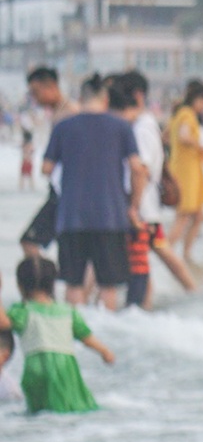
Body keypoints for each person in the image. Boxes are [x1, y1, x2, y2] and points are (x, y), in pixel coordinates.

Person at [42, 80, 144, 310]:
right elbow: (137, 168)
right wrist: (133, 204)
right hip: (110, 216)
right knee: (108, 284)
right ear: (105, 99)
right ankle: (107, 333)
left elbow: (46, 168)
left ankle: (75, 334)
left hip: (70, 217)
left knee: (73, 283)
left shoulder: (63, 127)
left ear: (81, 97)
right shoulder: (121, 127)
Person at [114, 73, 194, 308]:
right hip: (145, 210)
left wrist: (133, 206)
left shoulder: (142, 127)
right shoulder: (142, 125)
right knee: (160, 253)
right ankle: (191, 294)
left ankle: (146, 306)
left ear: (136, 96)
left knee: (142, 261)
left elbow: (142, 169)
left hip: (141, 210)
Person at [3, 255, 114, 413]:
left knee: (38, 413)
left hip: (36, 367)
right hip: (66, 369)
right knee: (70, 409)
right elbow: (86, 337)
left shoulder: (23, 311)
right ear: (52, 284)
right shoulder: (67, 311)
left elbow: (4, 323)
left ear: (20, 285)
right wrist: (105, 351)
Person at [19, 66, 75, 258]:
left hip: (66, 193)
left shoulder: (69, 114)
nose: (35, 99)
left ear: (50, 86)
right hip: (63, 191)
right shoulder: (60, 112)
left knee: (30, 242)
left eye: (36, 92)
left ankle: (42, 285)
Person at [166, 81, 203, 264]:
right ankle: (169, 252)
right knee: (184, 215)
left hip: (187, 169)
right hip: (186, 171)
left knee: (198, 215)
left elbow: (166, 136)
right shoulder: (187, 115)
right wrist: (199, 144)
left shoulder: (179, 114)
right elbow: (183, 136)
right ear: (198, 99)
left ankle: (186, 254)